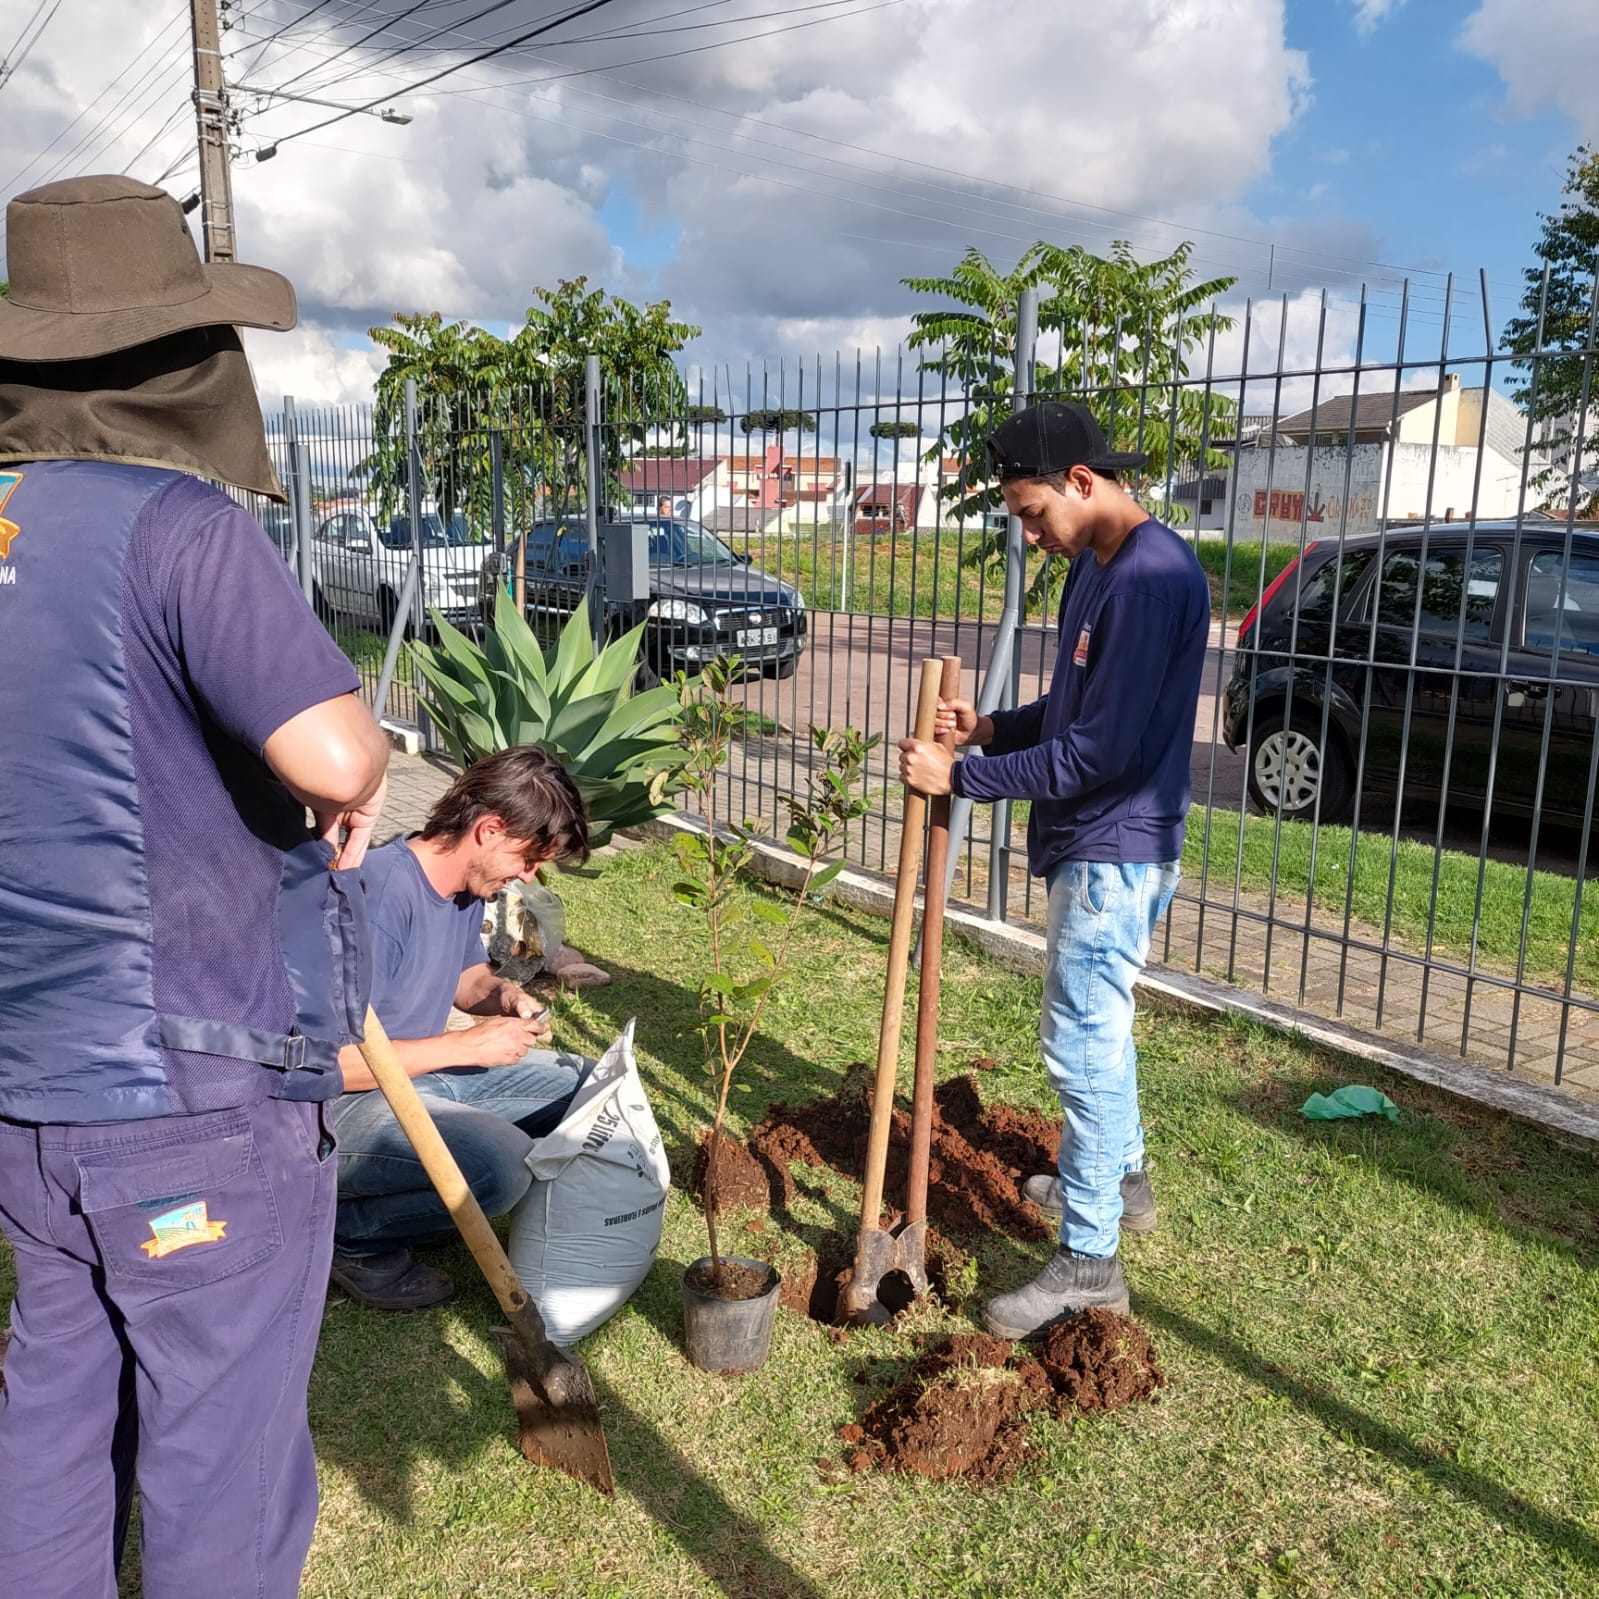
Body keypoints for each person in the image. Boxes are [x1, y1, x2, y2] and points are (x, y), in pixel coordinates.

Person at [0, 177, 390, 1598]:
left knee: (52, 1420)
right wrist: (365, 759)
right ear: (179, 356)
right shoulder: (175, 526)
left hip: (30, 1100)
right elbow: (337, 753)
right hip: (191, 1104)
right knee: (218, 1462)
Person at [898, 400, 1210, 1340]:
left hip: (1114, 842)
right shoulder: (1096, 564)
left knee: (1081, 1041)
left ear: (1082, 482)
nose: (1030, 534)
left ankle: (1089, 1262)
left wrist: (966, 774)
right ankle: (1119, 1178)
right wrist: (994, 728)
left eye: (1032, 512)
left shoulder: (1150, 578)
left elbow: (1102, 751)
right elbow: (1074, 703)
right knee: (1099, 1029)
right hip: (1100, 835)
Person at [329, 745, 594, 1312]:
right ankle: (345, 1234)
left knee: (586, 1084)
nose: (528, 876)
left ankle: (431, 1183)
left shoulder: (462, 888)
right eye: (527, 859)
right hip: (339, 1110)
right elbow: (332, 1063)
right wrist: (464, 1045)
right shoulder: (379, 896)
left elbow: (463, 975)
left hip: (418, 1078)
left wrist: (502, 994)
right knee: (503, 1166)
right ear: (490, 829)